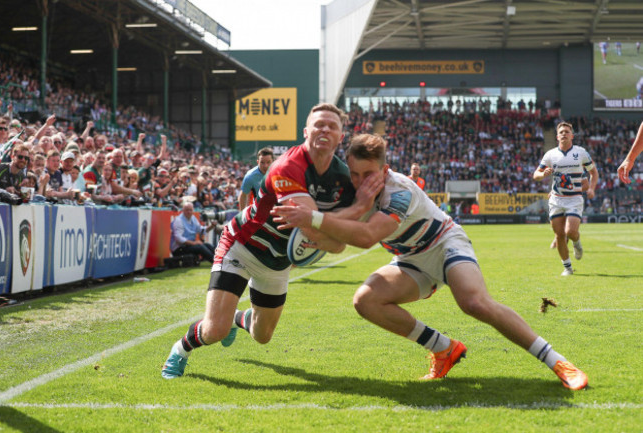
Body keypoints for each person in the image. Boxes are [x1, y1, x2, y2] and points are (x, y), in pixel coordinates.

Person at [272, 133, 588, 390]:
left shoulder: (399, 192)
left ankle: (558, 361)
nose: (359, 181)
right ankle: (443, 348)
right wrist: (311, 241)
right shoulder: (350, 189)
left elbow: (367, 236)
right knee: (365, 301)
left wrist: (314, 219)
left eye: (368, 174)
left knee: (474, 302)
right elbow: (341, 241)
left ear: (384, 170)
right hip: (411, 258)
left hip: (444, 242)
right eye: (354, 173)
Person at [161, 103, 376, 379]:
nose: (325, 129)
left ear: (341, 137)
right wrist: (352, 216)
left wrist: (338, 230)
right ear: (306, 131)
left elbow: (338, 244)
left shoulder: (343, 178)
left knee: (262, 336)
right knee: (215, 329)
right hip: (242, 245)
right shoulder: (288, 165)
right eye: (319, 124)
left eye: (332, 126)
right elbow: (311, 226)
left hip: (277, 261)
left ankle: (239, 318)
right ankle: (179, 351)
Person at [533, 122, 598, 276]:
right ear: (557, 136)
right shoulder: (550, 155)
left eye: (567, 131)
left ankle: (577, 242)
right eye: (561, 132)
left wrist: (591, 188)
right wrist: (543, 174)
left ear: (572, 136)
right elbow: (536, 175)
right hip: (556, 199)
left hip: (574, 199)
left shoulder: (580, 152)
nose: (564, 134)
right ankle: (567, 267)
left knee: (571, 231)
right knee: (559, 235)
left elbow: (593, 172)